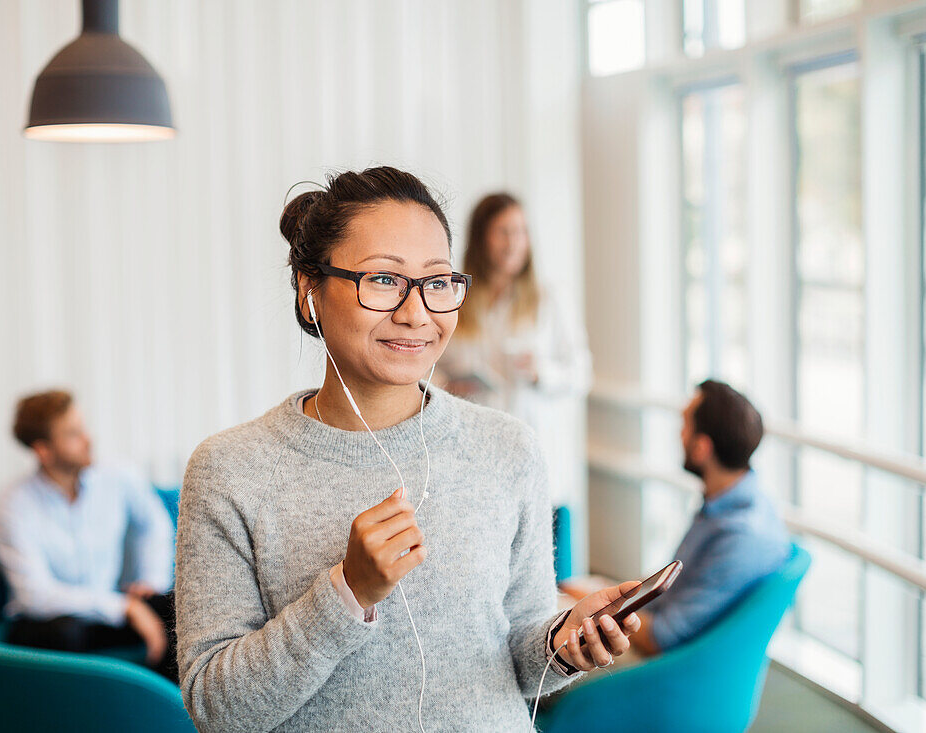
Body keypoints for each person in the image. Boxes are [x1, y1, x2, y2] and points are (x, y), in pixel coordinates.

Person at [175, 167, 641, 732]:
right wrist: (347, 593)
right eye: (383, 280)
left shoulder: (508, 448)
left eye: (438, 282)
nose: (417, 313)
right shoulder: (229, 471)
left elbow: (519, 656)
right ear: (309, 289)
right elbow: (217, 712)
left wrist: (563, 645)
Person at [0, 390, 178, 683]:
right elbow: (35, 595)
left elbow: (154, 524)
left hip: (107, 613)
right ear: (43, 450)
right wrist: (124, 607)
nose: (88, 440)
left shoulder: (118, 477)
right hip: (46, 619)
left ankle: (155, 707)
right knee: (65, 632)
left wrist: (150, 582)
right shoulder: (13, 503)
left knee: (180, 608)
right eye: (73, 434)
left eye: (83, 428)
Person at [437, 193, 591, 511]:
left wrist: (541, 373)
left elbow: (581, 374)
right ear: (481, 238)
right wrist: (446, 386)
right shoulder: (458, 300)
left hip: (532, 452)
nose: (514, 242)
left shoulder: (549, 299)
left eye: (520, 232)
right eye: (503, 232)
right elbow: (433, 363)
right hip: (476, 453)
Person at [630, 380, 790, 656]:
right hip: (658, 625)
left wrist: (595, 611)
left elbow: (661, 637)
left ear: (702, 447)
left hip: (662, 669)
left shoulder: (739, 536)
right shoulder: (741, 503)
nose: (679, 434)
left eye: (684, 424)